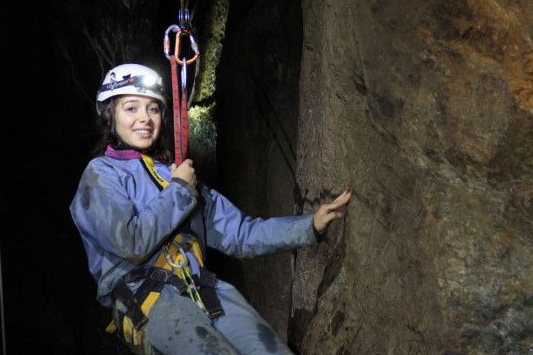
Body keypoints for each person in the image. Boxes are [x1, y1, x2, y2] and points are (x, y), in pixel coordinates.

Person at [69, 63, 352, 355]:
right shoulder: (101, 174)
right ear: (110, 116)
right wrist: (179, 190)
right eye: (131, 108)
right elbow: (130, 243)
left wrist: (309, 226)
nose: (145, 118)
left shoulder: (177, 174)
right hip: (150, 300)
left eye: (153, 109)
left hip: (206, 290)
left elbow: (240, 234)